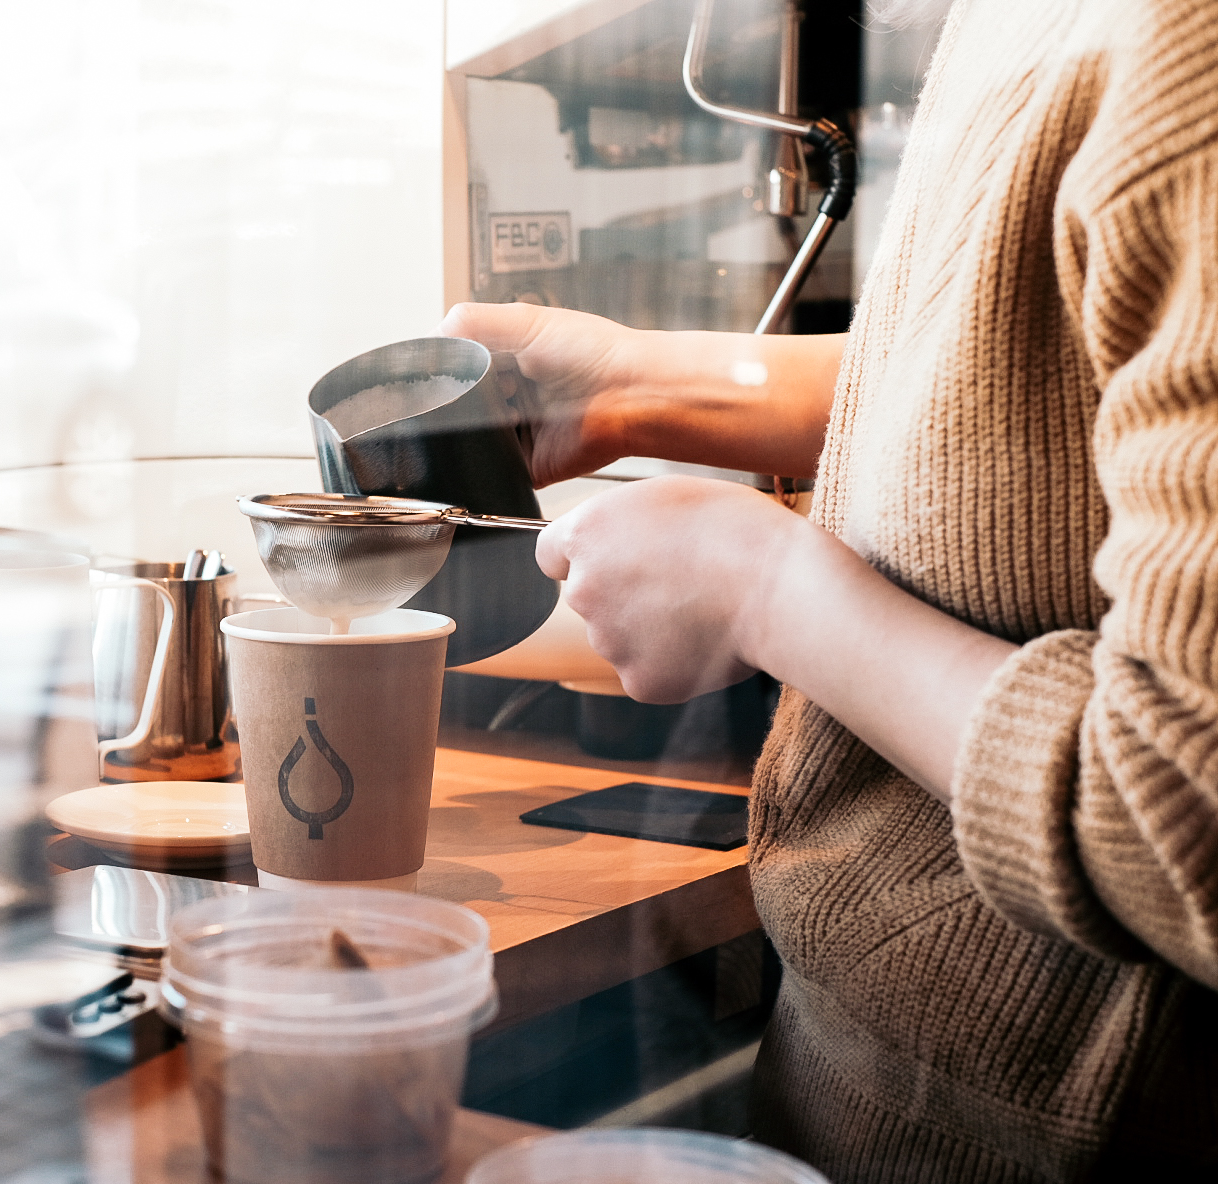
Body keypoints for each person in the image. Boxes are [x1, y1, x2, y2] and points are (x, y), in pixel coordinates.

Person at [441, 0, 1218, 1179]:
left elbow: (1182, 814)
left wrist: (763, 589)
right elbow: (1042, 341)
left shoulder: (1185, 48)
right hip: (869, 1089)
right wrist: (635, 386)